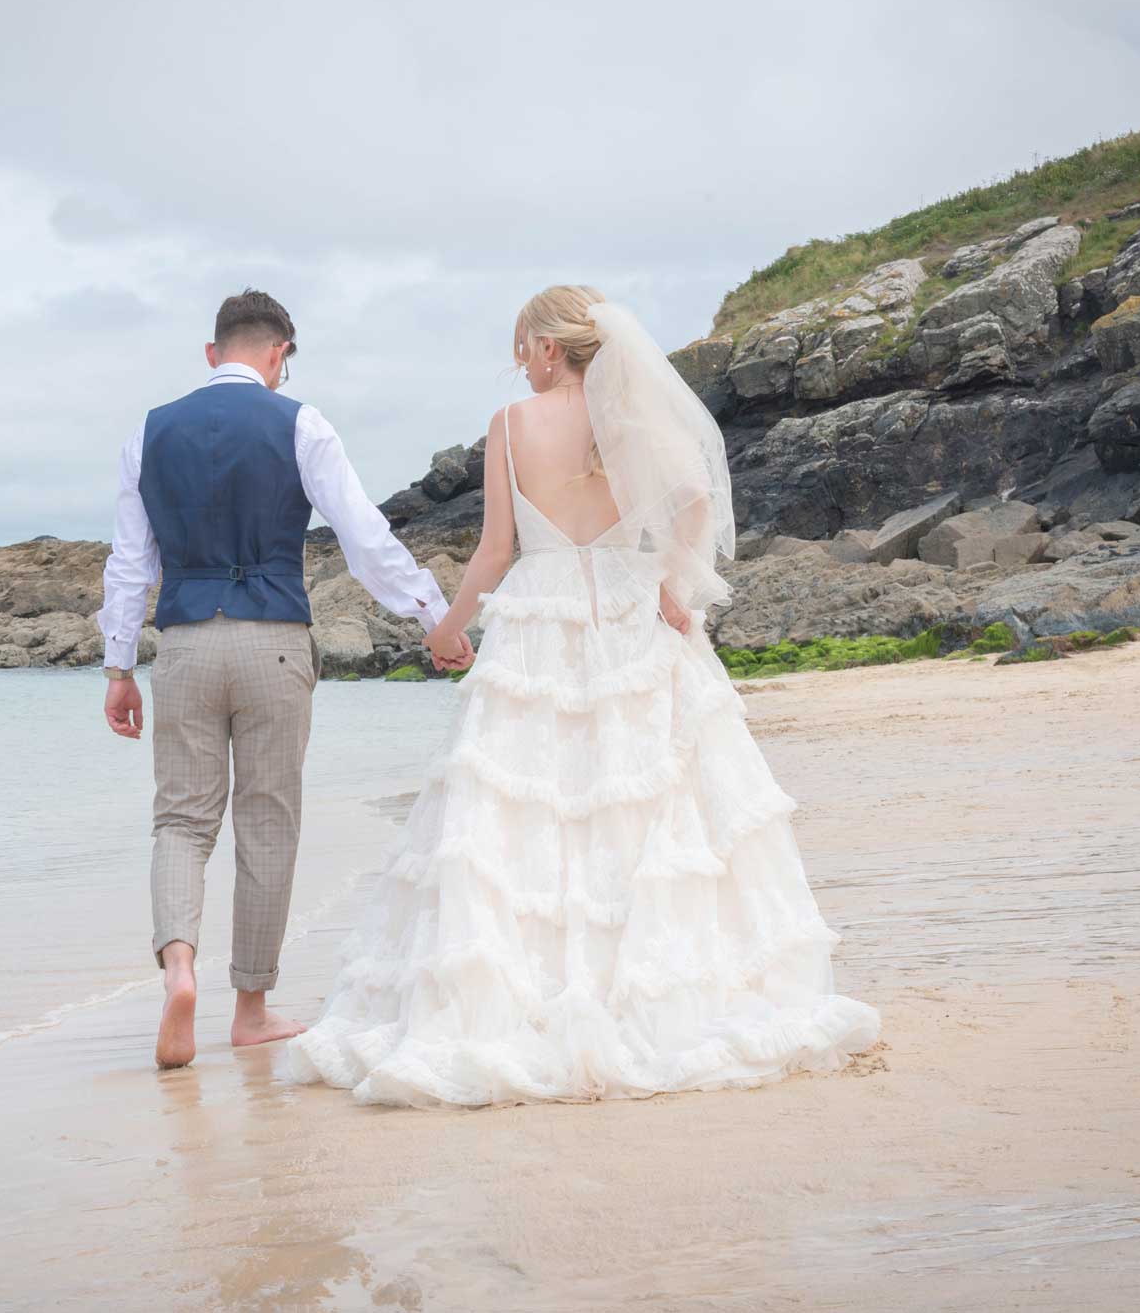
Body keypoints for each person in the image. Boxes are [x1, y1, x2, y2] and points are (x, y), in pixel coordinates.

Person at [282, 286, 880, 1106]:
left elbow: (496, 549)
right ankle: (661, 993)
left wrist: (448, 628)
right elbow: (697, 497)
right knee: (650, 798)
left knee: (532, 808)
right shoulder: (629, 415)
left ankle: (537, 994)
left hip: (541, 617)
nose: (517, 361)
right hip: (635, 609)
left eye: (522, 345)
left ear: (551, 348)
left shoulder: (510, 426)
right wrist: (681, 585)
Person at [97, 289, 471, 1069]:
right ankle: (251, 1010)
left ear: (212, 353)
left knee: (180, 821)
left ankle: (178, 970)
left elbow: (131, 564)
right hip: (274, 641)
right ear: (278, 356)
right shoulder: (300, 421)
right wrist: (432, 615)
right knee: (267, 822)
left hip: (188, 644)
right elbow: (363, 535)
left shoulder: (149, 431)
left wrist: (118, 666)